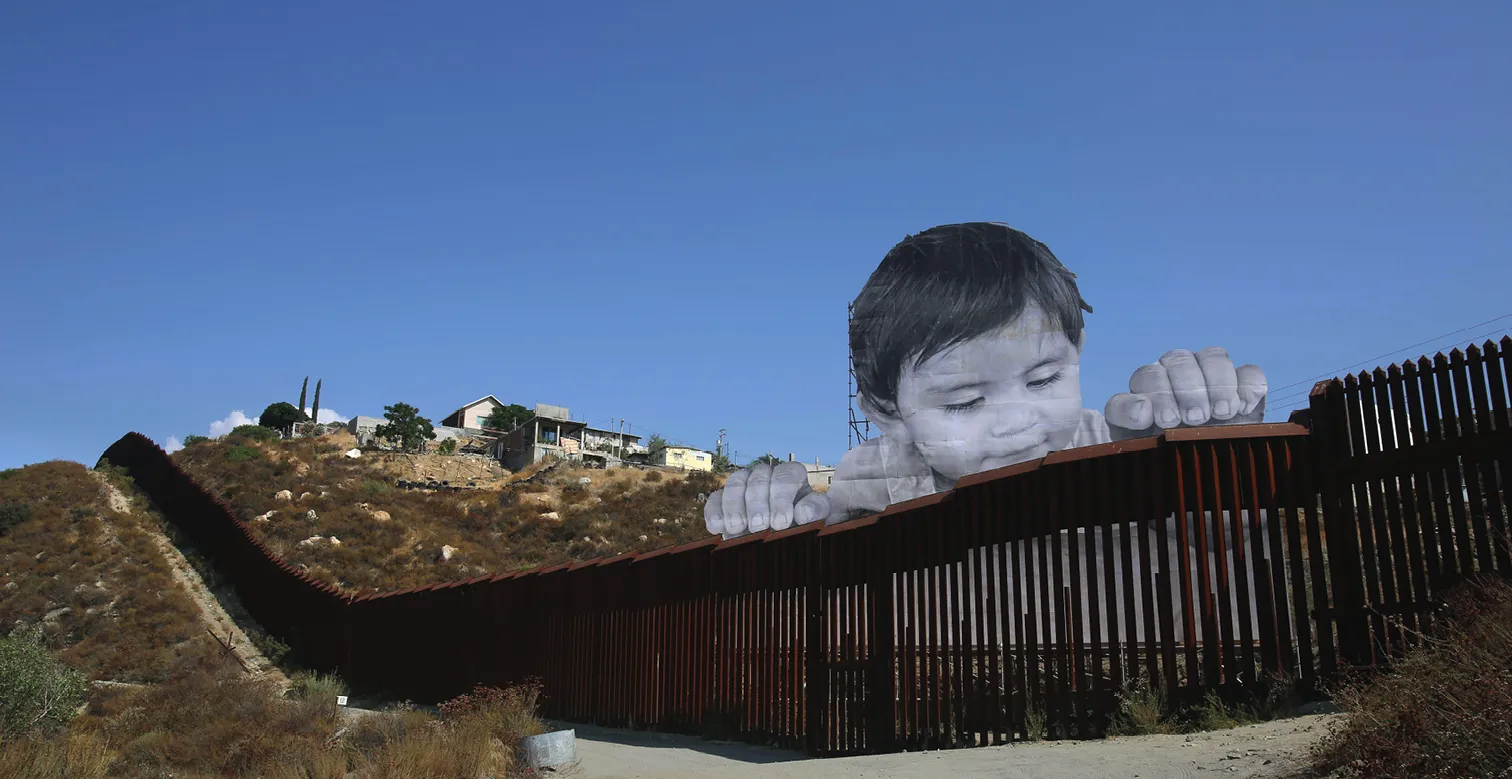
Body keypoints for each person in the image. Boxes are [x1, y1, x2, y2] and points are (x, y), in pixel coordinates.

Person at [705, 222, 1267, 539]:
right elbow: (821, 563)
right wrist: (782, 519)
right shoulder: (871, 487)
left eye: (1045, 380)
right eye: (965, 401)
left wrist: (1215, 464)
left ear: (1077, 352)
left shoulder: (1124, 450)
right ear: (885, 410)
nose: (1018, 422)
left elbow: (1223, 544)